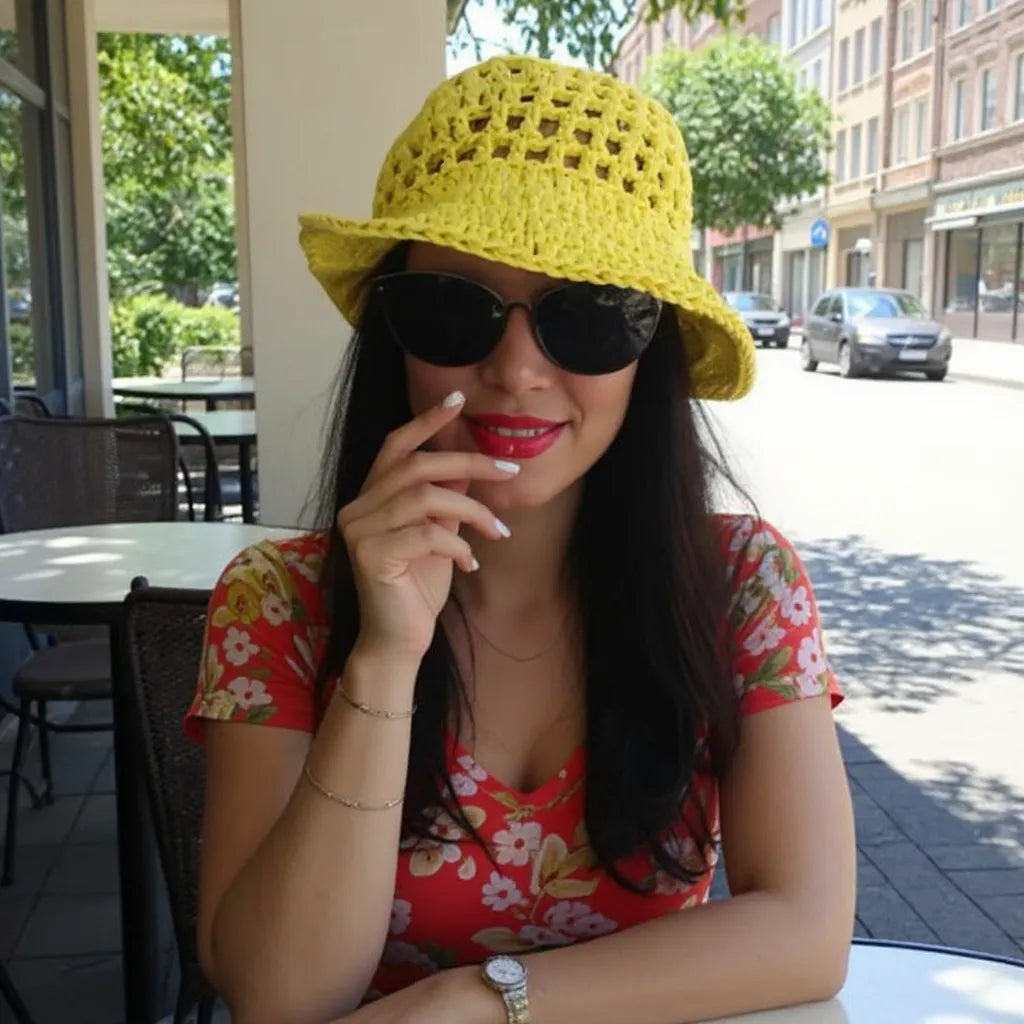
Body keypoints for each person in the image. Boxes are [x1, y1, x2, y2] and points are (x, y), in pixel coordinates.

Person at [185, 55, 855, 1024]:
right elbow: (278, 994)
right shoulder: (277, 601)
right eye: (451, 308)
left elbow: (806, 929)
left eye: (588, 315)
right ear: (394, 335)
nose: (516, 368)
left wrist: (479, 1002)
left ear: (653, 349)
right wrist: (384, 661)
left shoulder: (741, 584)